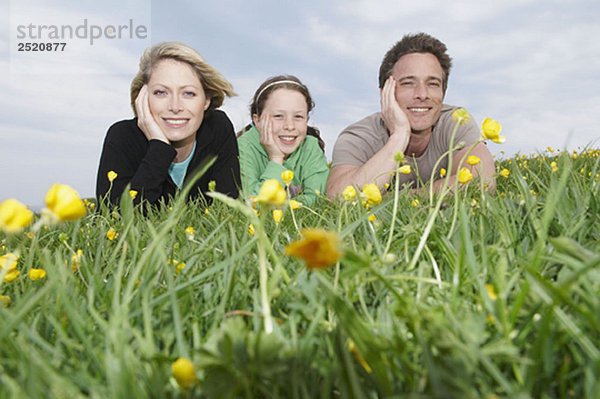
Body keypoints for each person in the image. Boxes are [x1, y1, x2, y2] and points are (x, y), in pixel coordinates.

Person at [326, 33, 495, 198]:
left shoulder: (456, 121)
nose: (422, 94)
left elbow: (482, 183)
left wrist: (386, 200)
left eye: (432, 83)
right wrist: (399, 135)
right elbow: (338, 199)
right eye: (408, 83)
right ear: (385, 93)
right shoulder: (358, 136)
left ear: (443, 92)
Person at [96, 41, 240, 208]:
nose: (175, 107)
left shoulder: (218, 128)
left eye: (188, 93)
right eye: (161, 92)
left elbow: (228, 210)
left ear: (206, 101)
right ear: (142, 97)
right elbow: (112, 220)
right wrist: (159, 149)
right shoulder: (122, 137)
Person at [237, 75, 329, 206]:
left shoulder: (310, 146)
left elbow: (319, 199)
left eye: (298, 116)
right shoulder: (244, 147)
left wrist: (280, 207)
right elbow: (253, 204)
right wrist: (275, 159)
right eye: (278, 116)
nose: (290, 126)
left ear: (307, 120)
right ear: (257, 121)